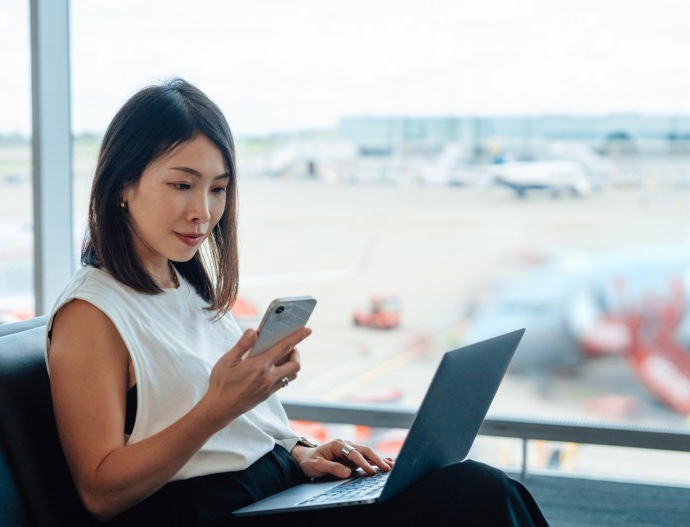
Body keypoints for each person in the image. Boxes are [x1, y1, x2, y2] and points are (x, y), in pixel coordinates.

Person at [46, 78, 548, 527]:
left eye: (218, 189)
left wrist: (299, 452)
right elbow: (99, 494)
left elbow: (232, 438)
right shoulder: (93, 313)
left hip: (269, 492)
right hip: (209, 511)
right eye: (181, 185)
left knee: (475, 486)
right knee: (474, 497)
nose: (203, 212)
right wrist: (218, 407)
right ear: (122, 186)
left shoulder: (186, 288)